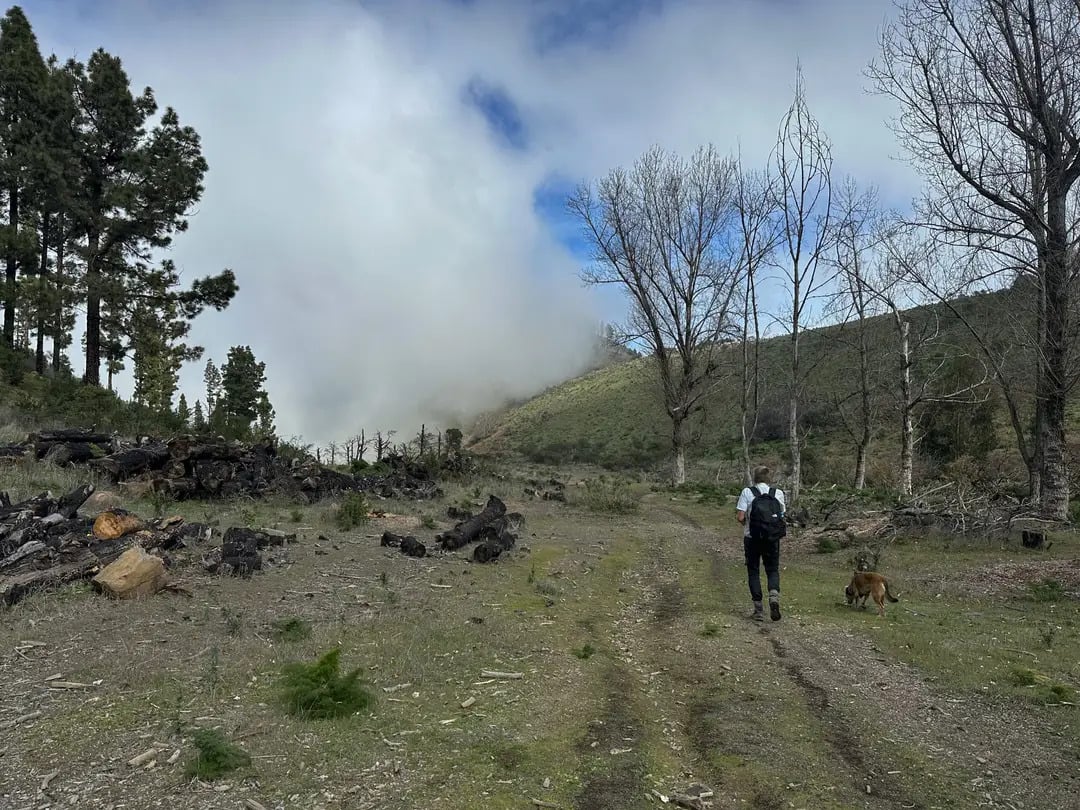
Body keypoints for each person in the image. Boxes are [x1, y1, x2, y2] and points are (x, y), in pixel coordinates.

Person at [735, 465, 787, 622]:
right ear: (769, 478)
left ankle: (758, 610)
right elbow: (782, 515)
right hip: (772, 539)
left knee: (753, 571)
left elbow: (740, 516)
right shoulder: (777, 493)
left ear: (754, 477)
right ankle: (774, 598)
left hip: (752, 538)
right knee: (772, 570)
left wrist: (747, 523)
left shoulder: (747, 492)